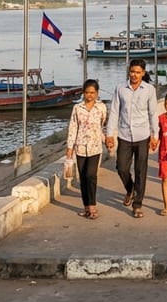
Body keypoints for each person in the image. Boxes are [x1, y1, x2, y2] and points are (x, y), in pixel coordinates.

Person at [105, 59, 160, 218]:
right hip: (124, 135)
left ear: (143, 73)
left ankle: (137, 204)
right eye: (132, 72)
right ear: (129, 72)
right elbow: (115, 112)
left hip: (143, 135)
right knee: (121, 167)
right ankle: (130, 188)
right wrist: (109, 134)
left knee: (140, 170)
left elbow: (152, 114)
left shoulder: (149, 90)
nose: (134, 75)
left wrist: (155, 135)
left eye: (138, 72)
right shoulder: (120, 89)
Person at [66, 79, 107, 219]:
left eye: (92, 93)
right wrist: (69, 147)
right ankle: (86, 207)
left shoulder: (101, 108)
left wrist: (106, 139)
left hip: (95, 147)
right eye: (87, 93)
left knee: (91, 175)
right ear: (83, 93)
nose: (89, 95)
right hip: (80, 147)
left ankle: (93, 205)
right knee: (83, 177)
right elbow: (73, 127)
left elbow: (102, 125)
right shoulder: (77, 108)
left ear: (97, 93)